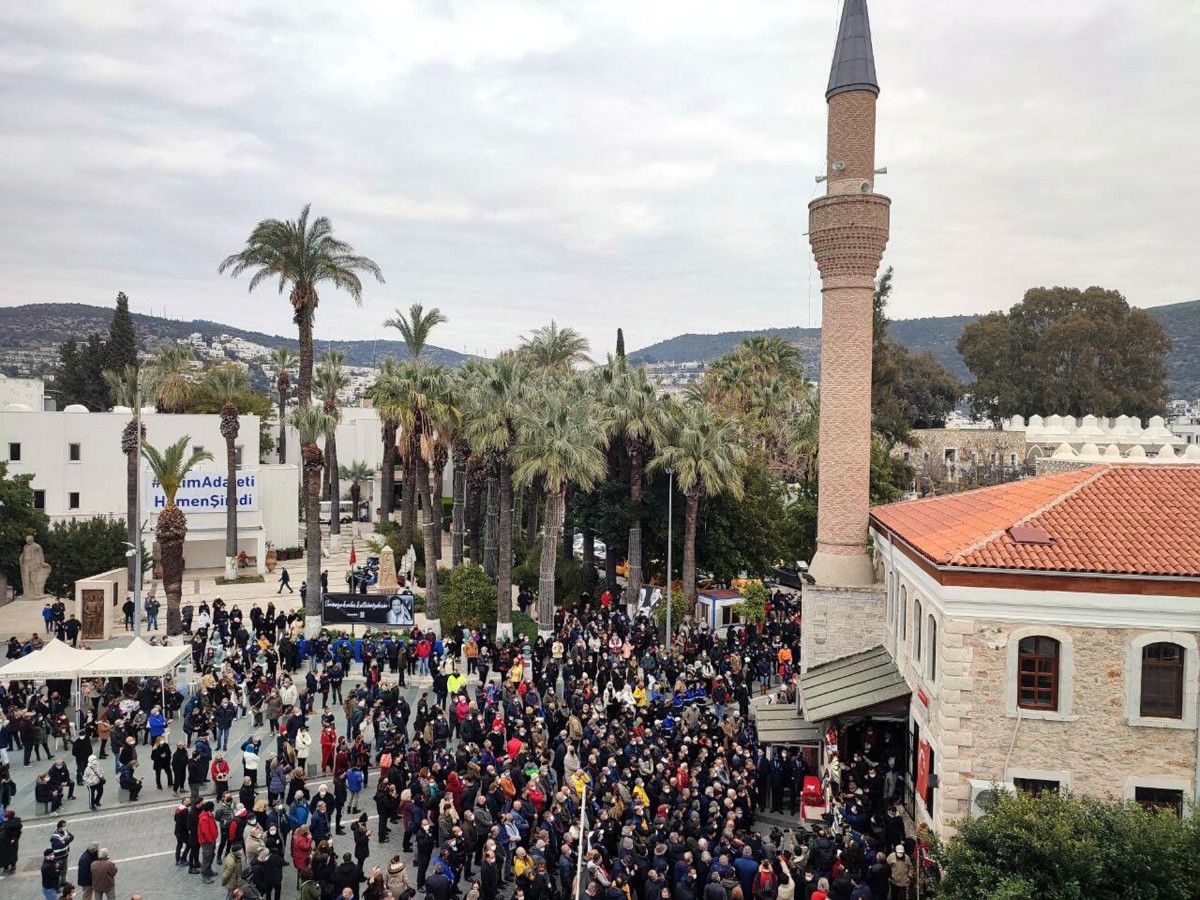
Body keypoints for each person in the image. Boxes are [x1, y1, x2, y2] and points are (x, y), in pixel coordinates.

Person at [50, 818, 74, 887]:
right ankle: (56, 885)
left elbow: (72, 837)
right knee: (58, 872)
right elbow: (58, 845)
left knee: (64, 870)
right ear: (59, 827)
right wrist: (66, 841)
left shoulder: (65, 832)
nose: (65, 827)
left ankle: (63, 882)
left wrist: (65, 841)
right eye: (64, 826)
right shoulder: (55, 836)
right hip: (58, 857)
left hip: (65, 855)